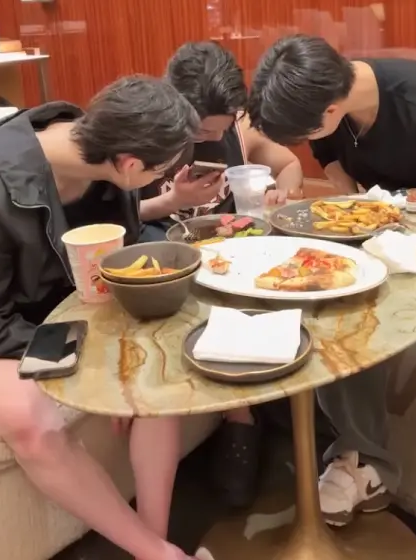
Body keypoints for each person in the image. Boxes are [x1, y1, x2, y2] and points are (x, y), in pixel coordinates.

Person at [248, 35, 416, 560]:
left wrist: (410, 217)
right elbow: (328, 154)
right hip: (379, 219)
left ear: (330, 111)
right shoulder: (326, 100)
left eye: (305, 132)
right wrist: (352, 197)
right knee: (331, 286)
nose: (307, 141)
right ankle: (361, 453)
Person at [0, 75, 205, 560]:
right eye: (160, 171)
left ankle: (155, 535)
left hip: (58, 314)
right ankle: (157, 553)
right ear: (131, 164)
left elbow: (118, 262)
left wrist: (120, 356)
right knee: (32, 423)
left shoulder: (102, 155)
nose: (160, 179)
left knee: (158, 362)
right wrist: (89, 358)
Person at [140, 41, 304, 509]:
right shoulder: (143, 130)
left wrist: (281, 194)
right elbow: (119, 216)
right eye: (199, 129)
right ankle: (241, 418)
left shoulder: (238, 126)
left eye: (219, 127)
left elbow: (290, 165)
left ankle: (288, 405)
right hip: (167, 254)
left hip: (232, 250)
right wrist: (172, 201)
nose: (210, 137)